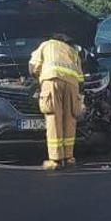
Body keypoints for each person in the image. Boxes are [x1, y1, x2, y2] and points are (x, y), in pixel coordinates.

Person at [29, 33, 85, 170]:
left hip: (52, 80)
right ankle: (69, 157)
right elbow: (80, 77)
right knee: (69, 119)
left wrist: (37, 78)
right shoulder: (72, 51)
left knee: (54, 118)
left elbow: (33, 66)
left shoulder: (46, 45)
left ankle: (55, 160)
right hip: (72, 84)